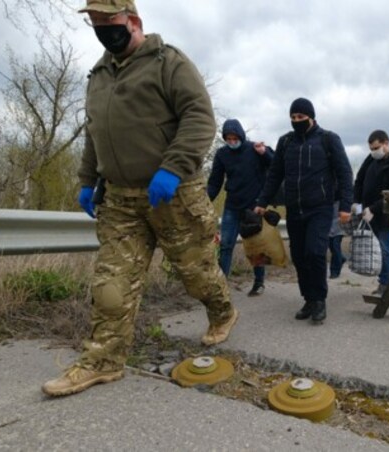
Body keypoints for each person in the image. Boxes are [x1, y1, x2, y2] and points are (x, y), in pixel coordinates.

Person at [44, 0, 235, 397]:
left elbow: (200, 117)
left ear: (133, 21)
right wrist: (86, 179)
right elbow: (95, 131)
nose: (101, 29)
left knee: (196, 274)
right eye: (95, 23)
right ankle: (102, 361)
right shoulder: (98, 74)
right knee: (111, 286)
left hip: (173, 195)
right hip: (120, 201)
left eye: (108, 21)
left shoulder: (169, 62)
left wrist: (173, 167)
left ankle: (222, 311)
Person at [255, 98, 353, 324]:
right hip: (294, 208)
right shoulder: (285, 142)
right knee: (299, 256)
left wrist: (346, 205)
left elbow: (345, 173)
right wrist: (262, 201)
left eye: (300, 117)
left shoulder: (328, 139)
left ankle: (319, 300)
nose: (296, 121)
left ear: (311, 117)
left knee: (315, 252)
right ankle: (308, 298)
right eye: (293, 117)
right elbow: (275, 174)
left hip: (320, 207)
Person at [207, 119, 274, 296]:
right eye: (228, 138)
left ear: (240, 135)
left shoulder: (254, 149)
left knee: (255, 247)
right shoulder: (222, 155)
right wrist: (205, 201)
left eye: (234, 137)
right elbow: (215, 182)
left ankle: (259, 283)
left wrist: (265, 153)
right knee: (226, 246)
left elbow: (275, 166)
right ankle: (221, 286)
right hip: (232, 207)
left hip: (253, 207)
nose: (231, 141)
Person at [353, 130, 389, 296]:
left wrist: (374, 208)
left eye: (376, 147)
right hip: (368, 213)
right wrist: (356, 201)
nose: (374, 151)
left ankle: (387, 285)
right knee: (375, 250)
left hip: (385, 216)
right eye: (371, 148)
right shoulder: (371, 159)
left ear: (386, 143)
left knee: (385, 251)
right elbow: (359, 180)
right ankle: (385, 281)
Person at [328, 196, 347, 279]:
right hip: (328, 219)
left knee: (335, 246)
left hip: (339, 220)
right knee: (331, 244)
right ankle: (341, 258)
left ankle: (334, 271)